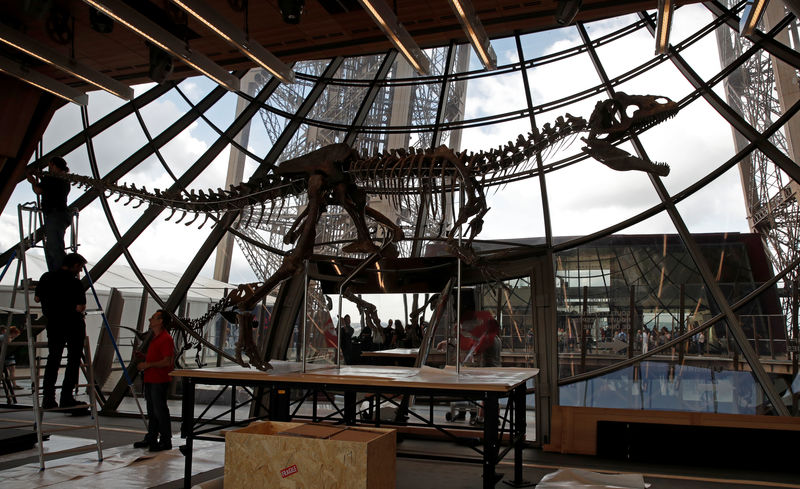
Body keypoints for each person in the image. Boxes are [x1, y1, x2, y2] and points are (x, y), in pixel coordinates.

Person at [34, 253, 88, 413]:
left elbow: (37, 298)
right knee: (73, 361)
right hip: (73, 325)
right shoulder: (75, 283)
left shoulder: (46, 277)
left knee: (53, 360)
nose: (80, 271)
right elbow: (81, 307)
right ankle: (66, 397)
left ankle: (48, 398)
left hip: (54, 324)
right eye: (80, 267)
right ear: (75, 265)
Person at [134, 310, 176, 452]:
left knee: (160, 410)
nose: (150, 319)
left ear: (161, 321)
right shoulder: (156, 338)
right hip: (151, 379)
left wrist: (147, 365)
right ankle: (152, 437)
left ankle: (166, 440)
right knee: (152, 410)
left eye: (153, 317)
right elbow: (159, 358)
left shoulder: (165, 339)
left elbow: (167, 361)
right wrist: (145, 357)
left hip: (159, 380)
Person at [27, 156, 72, 271]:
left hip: (54, 215)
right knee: (55, 245)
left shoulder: (51, 179)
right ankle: (59, 273)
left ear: (52, 164)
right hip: (62, 215)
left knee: (54, 247)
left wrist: (32, 181)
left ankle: (59, 274)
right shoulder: (65, 180)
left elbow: (38, 190)